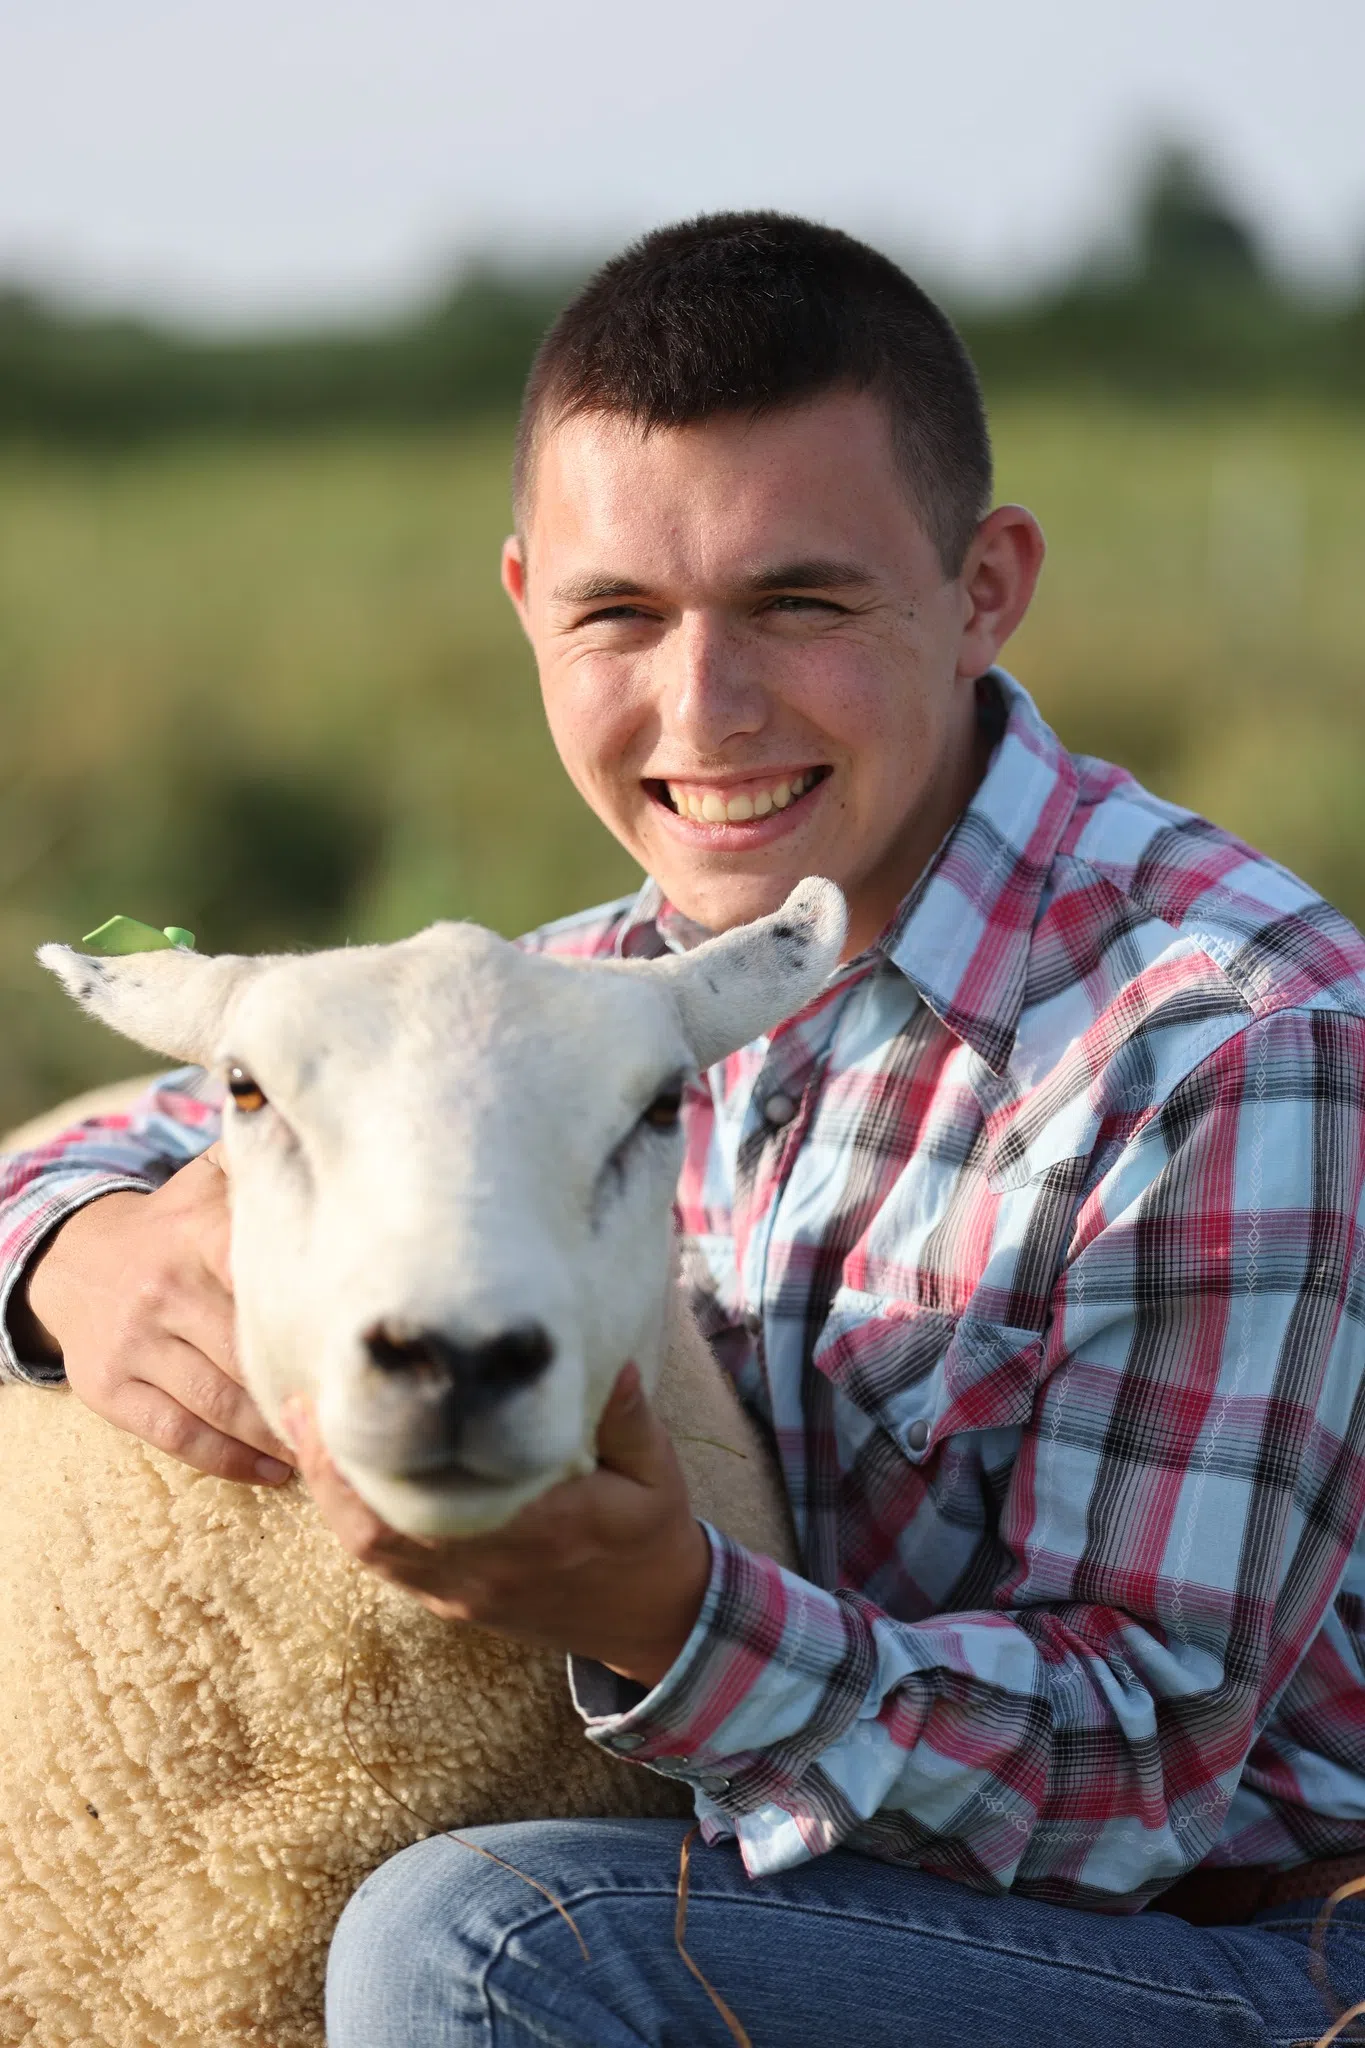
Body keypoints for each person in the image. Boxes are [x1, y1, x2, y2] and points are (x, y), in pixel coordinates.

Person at [4, 212, 1365, 2048]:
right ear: (523, 608)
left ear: (984, 588)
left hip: (1247, 1944)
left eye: (800, 603)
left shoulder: (1229, 1041)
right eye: (619, 616)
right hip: (833, 1874)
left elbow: (1134, 1782)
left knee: (476, 1943)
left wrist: (666, 1609)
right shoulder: (582, 1001)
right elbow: (138, 1120)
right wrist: (76, 1256)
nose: (703, 712)